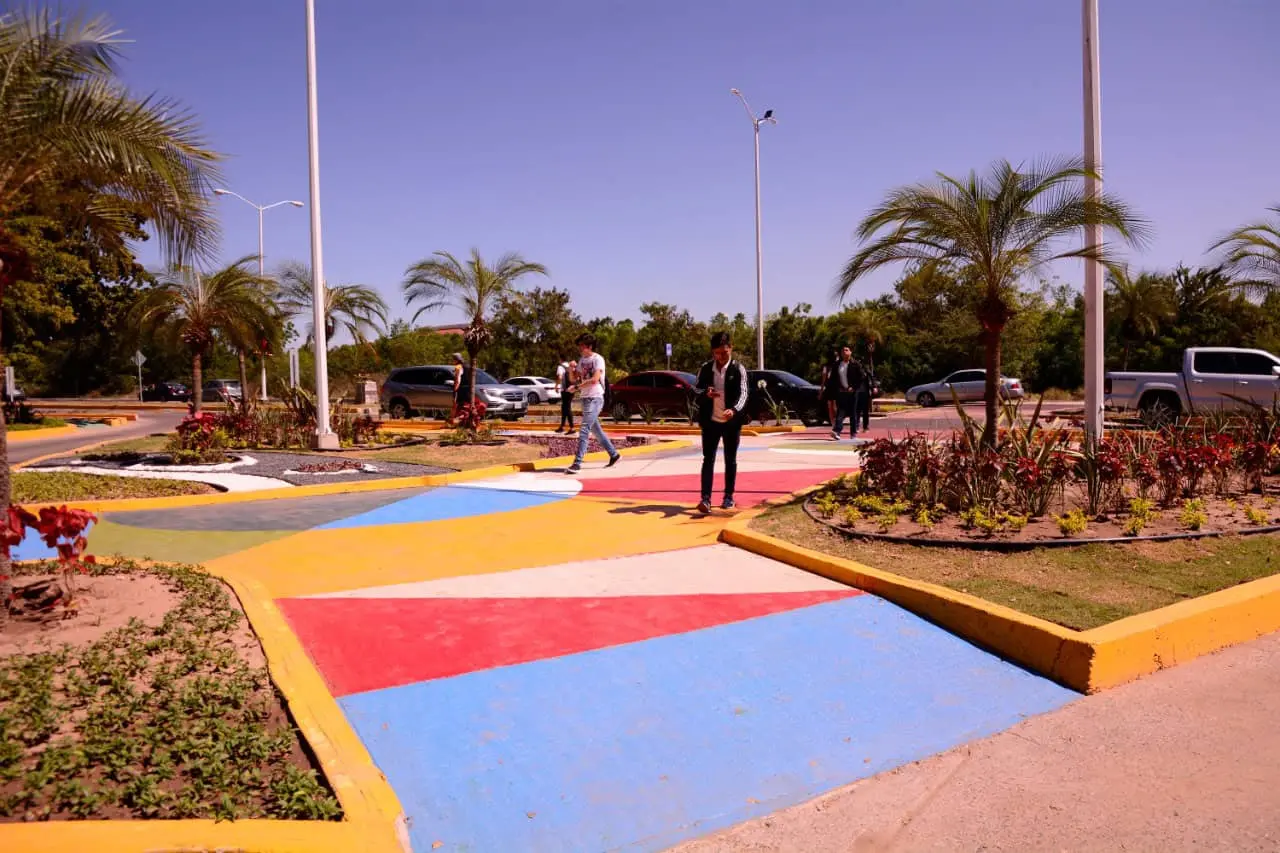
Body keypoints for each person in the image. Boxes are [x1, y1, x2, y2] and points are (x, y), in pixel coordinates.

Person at [693, 331, 750, 513]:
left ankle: (728, 497)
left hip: (731, 423)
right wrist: (705, 394)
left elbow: (744, 394)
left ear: (730, 348)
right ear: (713, 352)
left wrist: (733, 410)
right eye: (717, 353)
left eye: (724, 352)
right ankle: (705, 499)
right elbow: (694, 392)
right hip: (710, 422)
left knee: (730, 460)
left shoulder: (737, 369)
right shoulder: (705, 369)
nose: (721, 357)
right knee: (708, 459)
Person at [565, 332, 621, 473]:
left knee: (584, 429)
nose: (580, 348)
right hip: (585, 398)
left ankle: (577, 463)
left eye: (582, 346)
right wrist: (571, 370)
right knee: (596, 430)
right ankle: (614, 454)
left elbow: (595, 379)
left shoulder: (598, 359)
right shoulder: (582, 360)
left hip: (596, 398)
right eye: (579, 346)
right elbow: (574, 379)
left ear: (589, 346)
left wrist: (577, 387)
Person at [830, 345, 865, 440]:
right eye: (842, 350)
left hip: (852, 393)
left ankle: (853, 433)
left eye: (846, 350)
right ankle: (837, 431)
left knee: (853, 413)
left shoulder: (855, 364)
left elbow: (862, 377)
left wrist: (853, 387)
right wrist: (837, 388)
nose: (844, 352)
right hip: (841, 392)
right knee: (840, 412)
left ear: (850, 352)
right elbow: (833, 379)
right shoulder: (837, 364)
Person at [819, 346, 840, 427]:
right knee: (831, 407)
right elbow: (824, 380)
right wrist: (821, 392)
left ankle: (836, 423)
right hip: (831, 388)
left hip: (835, 388)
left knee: (833, 407)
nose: (837, 357)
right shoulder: (827, 367)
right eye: (836, 356)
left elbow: (823, 380)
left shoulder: (838, 365)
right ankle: (834, 424)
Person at [554, 358, 576, 433]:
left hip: (565, 390)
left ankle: (572, 427)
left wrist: (556, 385)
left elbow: (560, 377)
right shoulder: (570, 366)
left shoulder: (561, 367)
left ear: (560, 359)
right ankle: (562, 426)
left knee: (567, 408)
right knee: (564, 408)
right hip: (572, 389)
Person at [449, 353, 466, 422]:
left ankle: (452, 420)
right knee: (460, 405)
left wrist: (455, 389)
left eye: (453, 359)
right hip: (464, 388)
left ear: (456, 360)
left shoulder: (458, 367)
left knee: (455, 405)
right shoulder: (465, 366)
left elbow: (458, 379)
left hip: (459, 388)